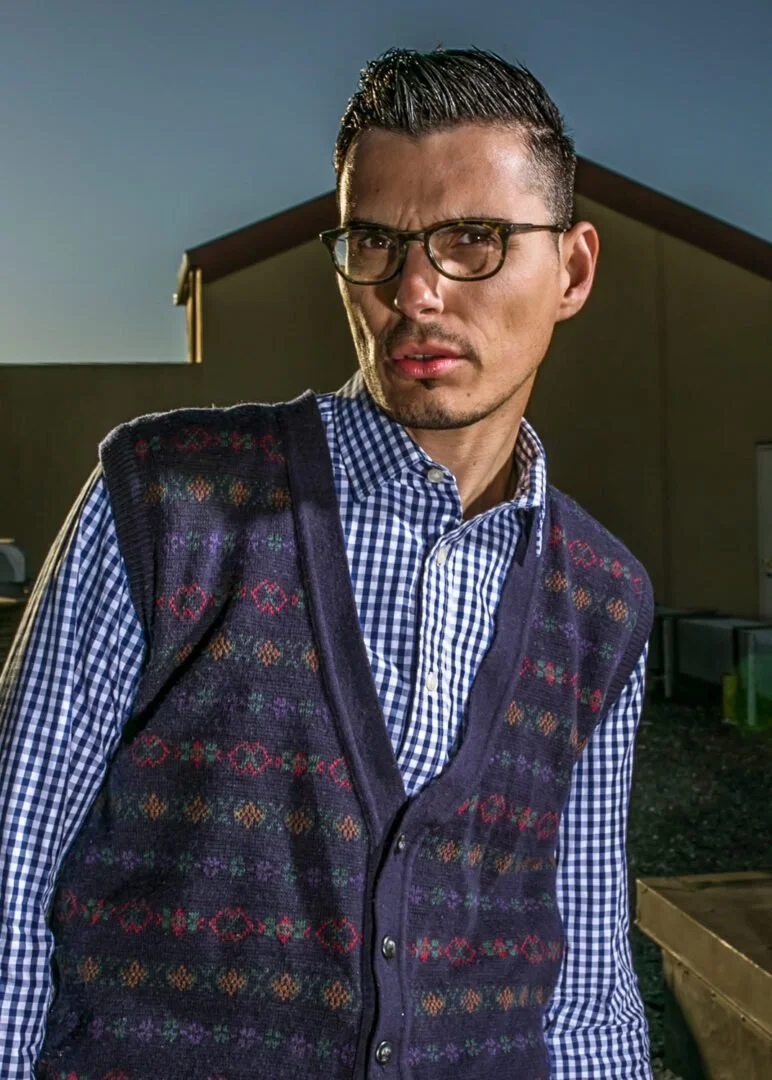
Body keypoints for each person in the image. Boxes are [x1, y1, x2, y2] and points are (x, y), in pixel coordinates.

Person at [0, 48, 654, 1080]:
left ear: (571, 270)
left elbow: (583, 973)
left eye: (472, 240)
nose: (417, 292)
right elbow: (11, 876)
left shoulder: (606, 599)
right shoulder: (172, 498)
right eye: (375, 243)